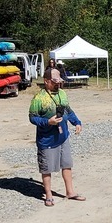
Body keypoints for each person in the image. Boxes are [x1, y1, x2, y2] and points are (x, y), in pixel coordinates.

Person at [29, 72, 84, 206]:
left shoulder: (62, 94)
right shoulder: (39, 98)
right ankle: (48, 195)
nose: (58, 84)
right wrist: (48, 122)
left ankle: (70, 192)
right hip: (47, 140)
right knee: (46, 168)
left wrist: (77, 122)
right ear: (46, 81)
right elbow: (32, 118)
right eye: (54, 82)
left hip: (63, 137)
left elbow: (68, 111)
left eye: (59, 81)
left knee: (67, 164)